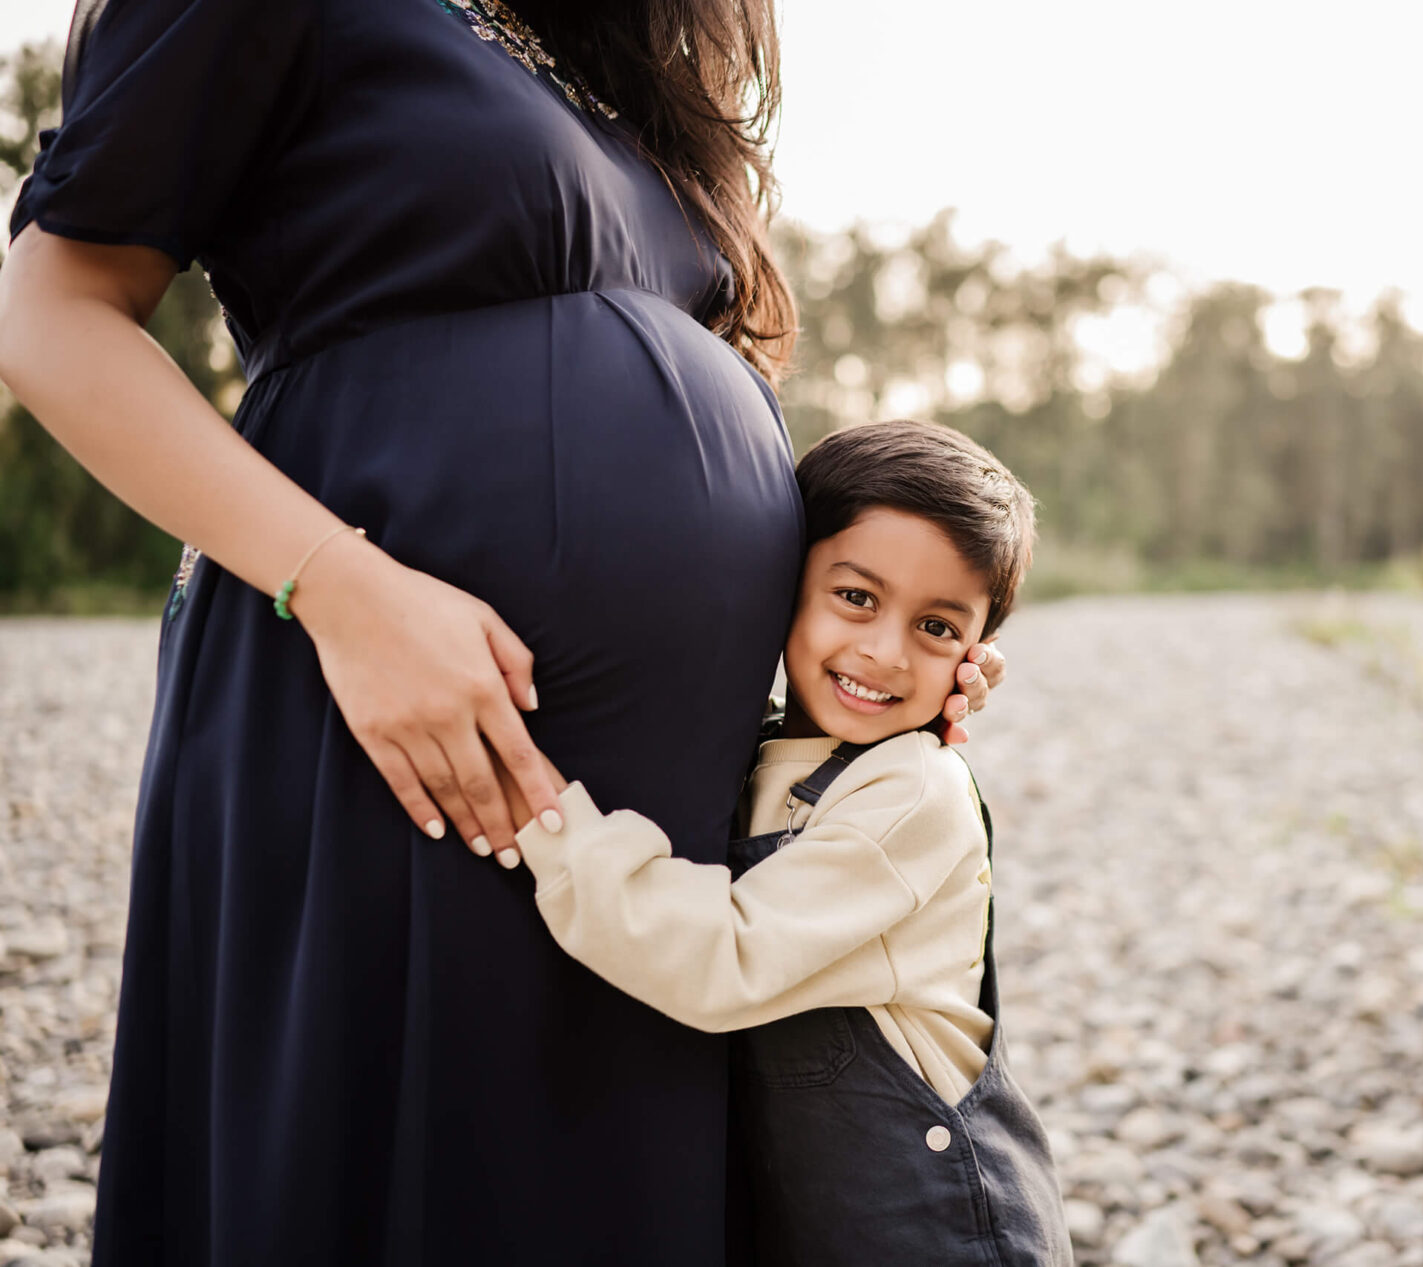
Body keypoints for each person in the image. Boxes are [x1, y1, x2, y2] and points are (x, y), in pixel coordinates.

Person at [0, 1, 1000, 1262]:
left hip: (651, 798)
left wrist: (875, 659)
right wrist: (342, 589)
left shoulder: (604, 56)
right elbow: (50, 308)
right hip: (396, 711)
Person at [495, 419, 1069, 1265]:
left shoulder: (911, 790)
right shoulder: (766, 748)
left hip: (935, 1229)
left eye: (938, 628)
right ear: (785, 582)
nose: (884, 652)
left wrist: (546, 819)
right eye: (857, 598)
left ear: (979, 651)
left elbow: (725, 956)